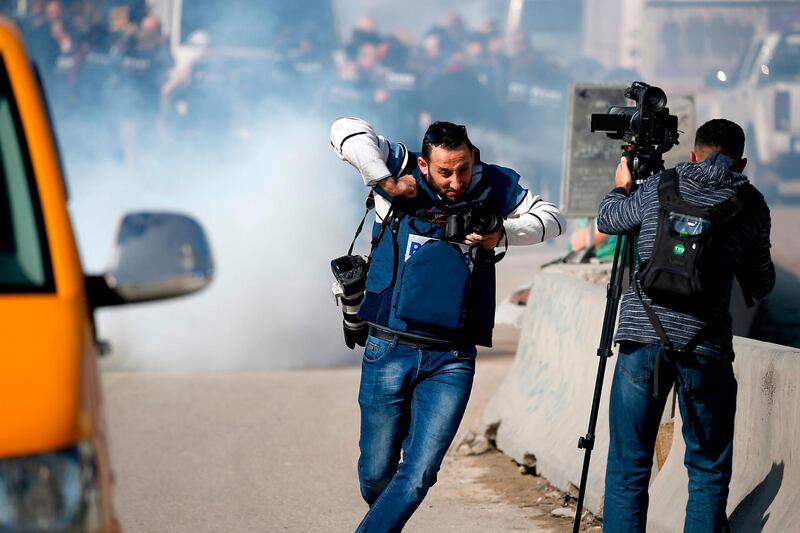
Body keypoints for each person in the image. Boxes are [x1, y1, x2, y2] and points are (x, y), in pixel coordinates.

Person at [330, 117, 566, 532]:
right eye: (444, 172)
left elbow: (553, 219)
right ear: (424, 165)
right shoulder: (400, 169)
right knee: (375, 473)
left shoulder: (496, 185)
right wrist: (386, 182)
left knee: (420, 472)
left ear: (472, 157)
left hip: (452, 359)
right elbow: (345, 131)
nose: (455, 181)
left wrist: (502, 232)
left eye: (462, 168)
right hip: (388, 347)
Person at [596, 119, 775, 532]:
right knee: (707, 468)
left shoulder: (661, 185)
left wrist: (622, 184)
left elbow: (610, 219)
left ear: (693, 153)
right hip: (705, 346)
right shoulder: (751, 205)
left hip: (642, 337)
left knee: (628, 464)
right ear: (742, 163)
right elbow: (761, 282)